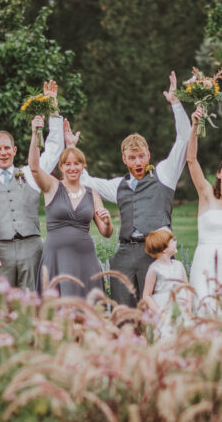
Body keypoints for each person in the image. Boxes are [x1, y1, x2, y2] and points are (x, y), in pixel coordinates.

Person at [80, 72, 191, 307]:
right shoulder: (117, 185)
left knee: (157, 309)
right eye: (132, 158)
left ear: (148, 155)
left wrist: (176, 104)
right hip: (124, 253)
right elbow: (85, 179)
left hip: (156, 254)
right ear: (125, 159)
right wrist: (69, 146)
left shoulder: (164, 175)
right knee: (122, 311)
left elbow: (183, 140)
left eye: (141, 156)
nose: (138, 162)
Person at [0, 80, 67, 290]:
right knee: (2, 303)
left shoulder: (30, 173)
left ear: (15, 150)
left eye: (7, 148)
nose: (3, 153)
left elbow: (54, 149)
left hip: (31, 246)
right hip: (0, 248)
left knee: (32, 300)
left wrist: (53, 108)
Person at [26, 116, 113, 298]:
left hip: (85, 259)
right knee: (57, 312)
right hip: (56, 257)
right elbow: (34, 167)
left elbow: (106, 232)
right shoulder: (52, 186)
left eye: (77, 163)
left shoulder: (92, 193)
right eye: (68, 164)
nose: (73, 168)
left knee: (85, 310)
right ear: (62, 167)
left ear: (83, 166)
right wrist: (35, 133)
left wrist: (108, 221)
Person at [185, 107, 222, 309]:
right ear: (219, 174)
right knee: (203, 308)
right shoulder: (206, 193)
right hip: (204, 261)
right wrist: (194, 126)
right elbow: (191, 160)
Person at [140, 229, 189, 335]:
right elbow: (146, 295)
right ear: (164, 249)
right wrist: (159, 314)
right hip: (162, 307)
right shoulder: (154, 269)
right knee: (165, 334)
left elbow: (187, 287)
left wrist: (189, 307)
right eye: (172, 240)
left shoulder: (179, 265)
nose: (176, 241)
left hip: (180, 305)